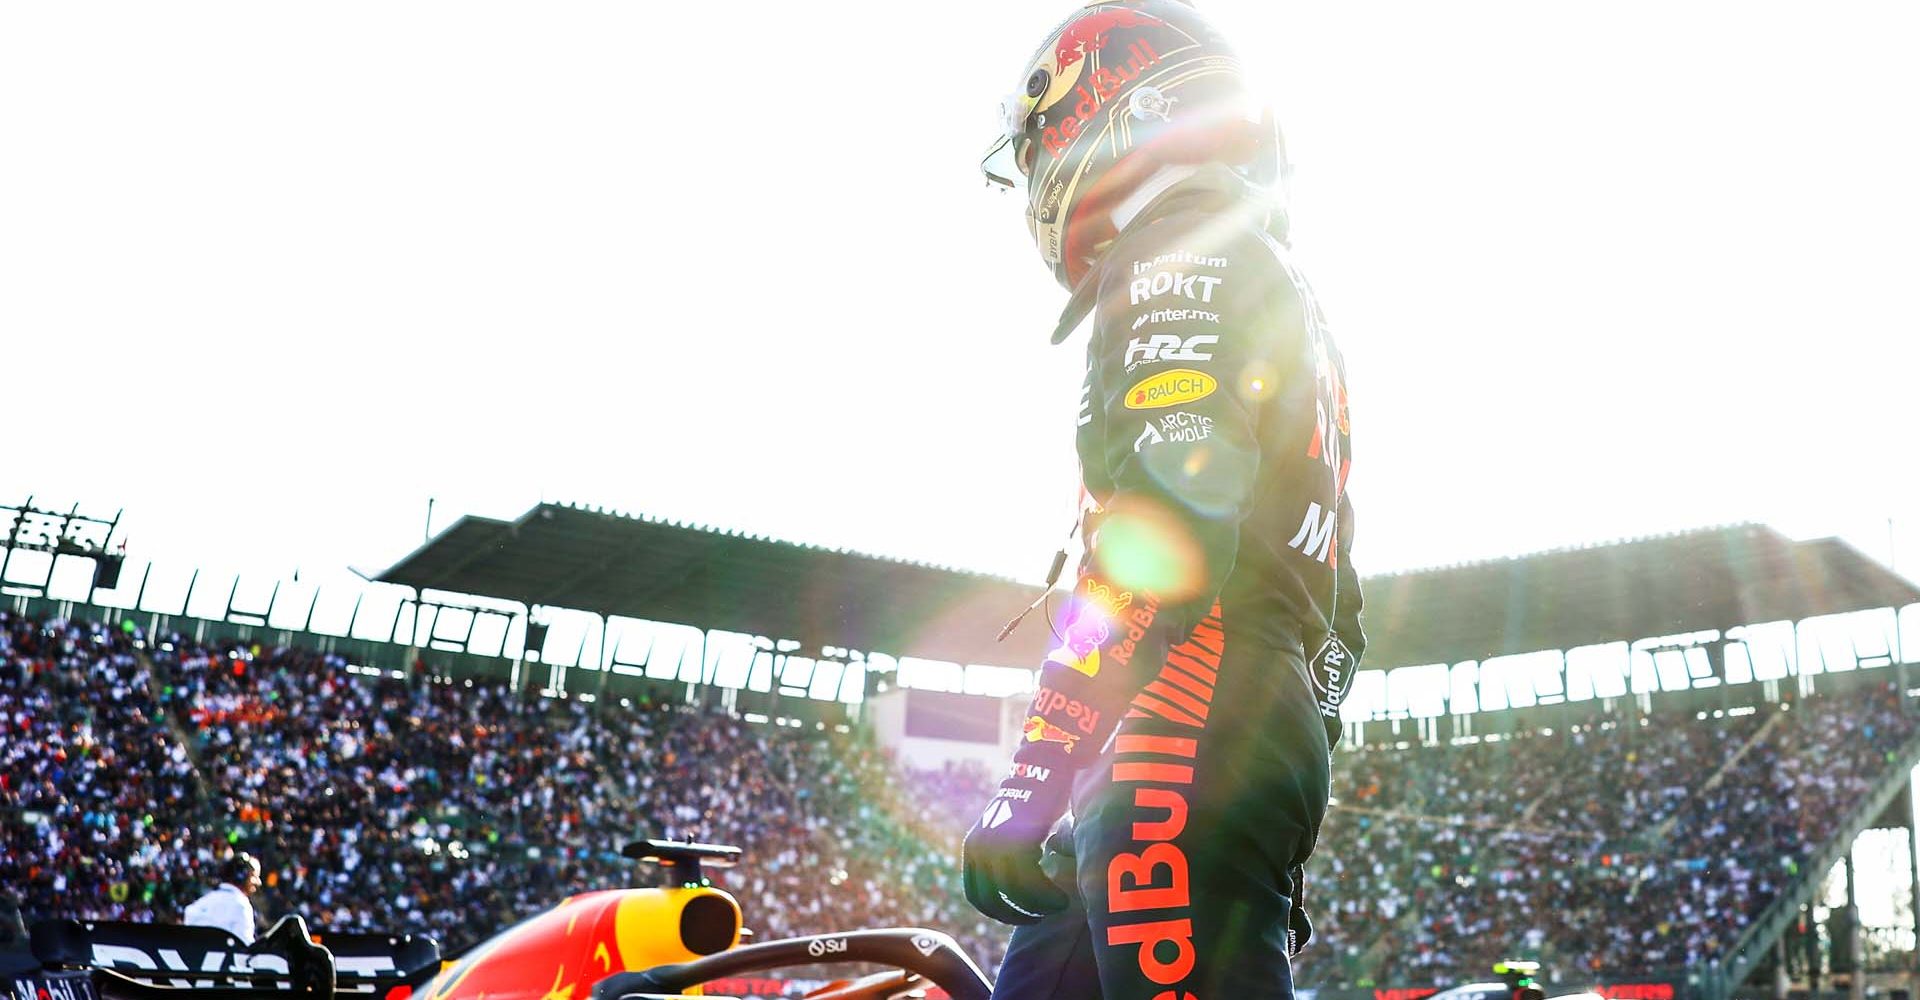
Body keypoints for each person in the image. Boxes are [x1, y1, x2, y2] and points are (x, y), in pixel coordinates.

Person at [964, 3, 1366, 997]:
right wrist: (1263, 777)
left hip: (1180, 719)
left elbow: (1169, 534)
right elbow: (1340, 608)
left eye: (1039, 136)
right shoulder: (1281, 285)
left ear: (1102, 103)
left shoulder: (1171, 256)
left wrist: (1035, 775)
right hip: (1233, 721)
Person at [182, 853, 261, 945]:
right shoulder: (241, 906)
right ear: (241, 876)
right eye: (255, 876)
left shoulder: (199, 904)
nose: (258, 882)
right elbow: (244, 949)